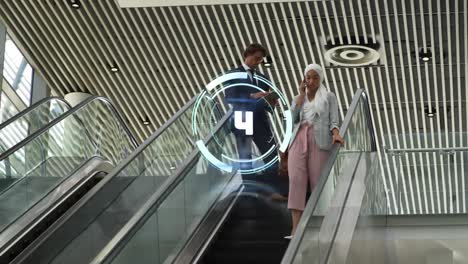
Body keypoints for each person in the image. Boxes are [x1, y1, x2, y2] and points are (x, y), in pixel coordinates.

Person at [286, 64, 344, 237]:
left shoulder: (329, 97)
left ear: (320, 78)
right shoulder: (298, 98)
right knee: (296, 181)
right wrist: (301, 95)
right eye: (308, 77)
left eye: (314, 77)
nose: (311, 81)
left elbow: (334, 119)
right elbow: (292, 120)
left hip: (319, 141)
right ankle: (296, 229)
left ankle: (322, 227)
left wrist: (336, 133)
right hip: (298, 139)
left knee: (319, 183)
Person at [224, 43, 278, 175]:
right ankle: (250, 189)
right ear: (247, 55)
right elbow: (229, 97)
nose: (258, 62)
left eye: (260, 59)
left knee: (271, 155)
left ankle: (275, 189)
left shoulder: (263, 78)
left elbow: (266, 102)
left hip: (261, 120)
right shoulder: (233, 74)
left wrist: (271, 103)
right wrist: (253, 95)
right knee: (245, 160)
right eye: (256, 58)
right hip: (243, 119)